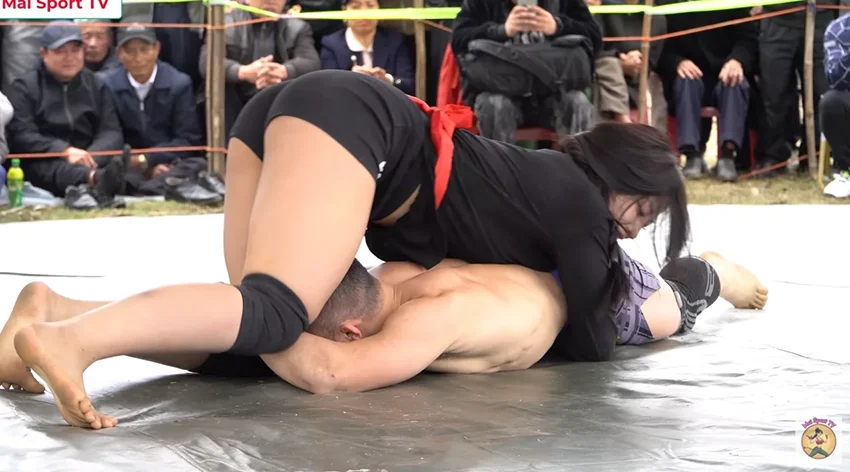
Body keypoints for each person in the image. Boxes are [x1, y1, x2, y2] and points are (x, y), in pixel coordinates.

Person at [9, 69, 690, 428]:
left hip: (298, 115)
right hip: (354, 124)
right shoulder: (578, 203)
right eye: (641, 210)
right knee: (274, 314)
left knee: (259, 335)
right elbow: (593, 338)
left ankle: (52, 313)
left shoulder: (540, 186)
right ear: (618, 179)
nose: (634, 231)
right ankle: (77, 343)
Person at [1, 250, 767, 425]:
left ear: (352, 328)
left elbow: (330, 374)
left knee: (675, 305)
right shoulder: (392, 280)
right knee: (260, 340)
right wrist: (257, 312)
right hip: (526, 278)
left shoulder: (437, 313)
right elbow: (315, 354)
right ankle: (65, 314)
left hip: (601, 298)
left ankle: (715, 270)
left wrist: (254, 320)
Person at [4, 21, 125, 208]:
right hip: (48, 160)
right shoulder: (24, 87)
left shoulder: (96, 84)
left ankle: (97, 181)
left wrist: (91, 156)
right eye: (60, 51)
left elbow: (111, 131)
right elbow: (22, 135)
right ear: (44, 53)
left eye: (75, 50)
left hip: (91, 157)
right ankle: (97, 180)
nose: (69, 58)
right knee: (47, 168)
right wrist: (63, 150)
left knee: (122, 159)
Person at [320, 0, 415, 95]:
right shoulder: (331, 44)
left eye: (370, 5)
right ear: (344, 10)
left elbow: (409, 85)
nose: (364, 13)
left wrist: (387, 79)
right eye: (355, 7)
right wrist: (350, 79)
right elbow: (328, 88)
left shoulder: (395, 40)